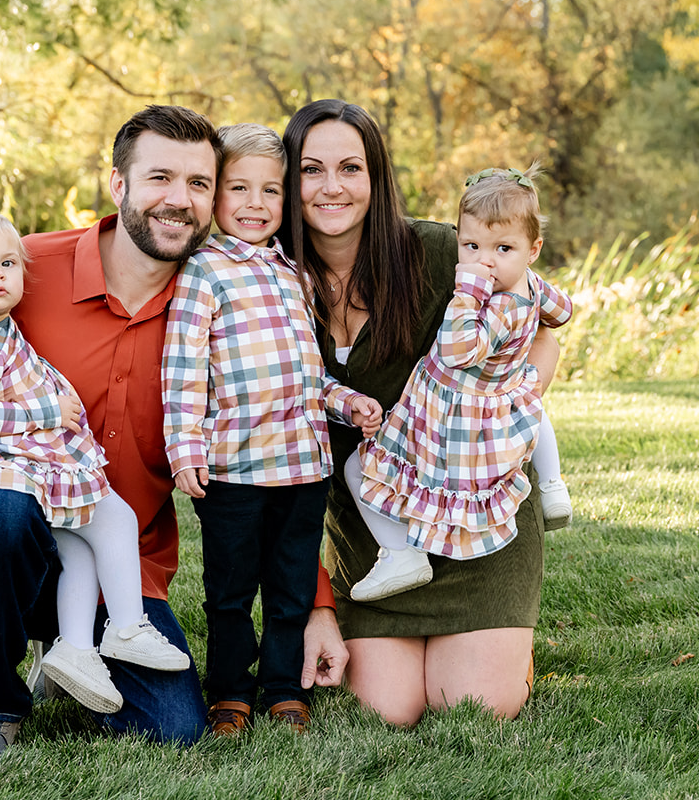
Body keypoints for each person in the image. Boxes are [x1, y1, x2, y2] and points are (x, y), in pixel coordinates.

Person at [0, 105, 225, 758]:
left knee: (175, 729)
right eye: (160, 177)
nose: (180, 198)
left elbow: (264, 450)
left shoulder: (216, 305)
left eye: (199, 183)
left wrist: (312, 601)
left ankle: (72, 648)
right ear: (117, 184)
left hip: (118, 566)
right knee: (3, 507)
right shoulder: (22, 268)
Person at [280, 99, 561, 725]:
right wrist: (317, 605)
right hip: (381, 531)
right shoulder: (267, 282)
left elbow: (544, 334)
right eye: (311, 169)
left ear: (377, 178)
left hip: (478, 513)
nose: (332, 187)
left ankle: (502, 639)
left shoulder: (443, 254)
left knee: (476, 706)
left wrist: (513, 398)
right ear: (288, 181)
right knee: (389, 708)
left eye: (351, 167)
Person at [0, 208, 191, 719]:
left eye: (9, 263)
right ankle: (126, 629)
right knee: (110, 520)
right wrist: (51, 409)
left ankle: (75, 650)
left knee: (79, 549)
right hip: (20, 475)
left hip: (44, 472)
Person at [161, 123, 382, 735]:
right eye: (239, 189)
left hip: (304, 468)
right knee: (229, 593)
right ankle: (230, 691)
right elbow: (182, 371)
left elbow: (309, 375)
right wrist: (184, 448)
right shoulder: (204, 272)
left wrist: (348, 403)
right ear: (216, 198)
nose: (256, 205)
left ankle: (284, 689)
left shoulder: (294, 273)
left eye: (271, 191)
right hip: (233, 468)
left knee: (289, 591)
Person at [348, 165, 574, 602]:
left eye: (502, 248)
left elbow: (457, 350)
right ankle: (552, 485)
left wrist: (466, 292)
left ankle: (400, 553)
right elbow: (561, 311)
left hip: (452, 412)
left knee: (363, 467)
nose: (485, 260)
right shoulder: (532, 285)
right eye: (471, 246)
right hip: (506, 398)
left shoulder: (498, 304)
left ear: (533, 248)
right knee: (533, 405)